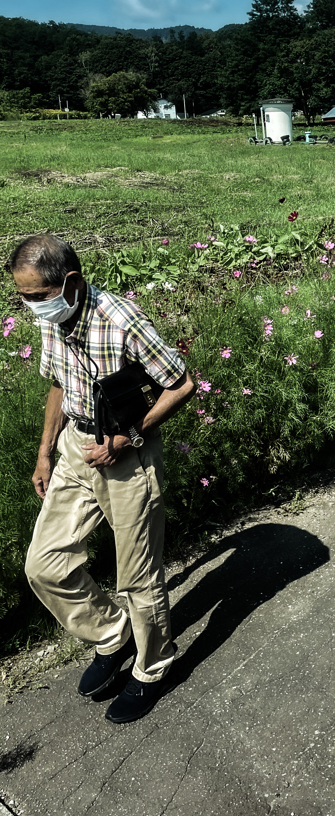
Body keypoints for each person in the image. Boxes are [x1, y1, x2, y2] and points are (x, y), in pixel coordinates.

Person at [9, 234, 195, 724]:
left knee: (137, 576)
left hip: (125, 452)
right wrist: (45, 453)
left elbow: (182, 384)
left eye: (35, 297)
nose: (30, 308)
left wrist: (128, 436)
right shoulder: (56, 318)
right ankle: (114, 636)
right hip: (75, 445)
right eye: (21, 298)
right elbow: (57, 382)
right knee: (44, 565)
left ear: (69, 283)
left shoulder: (120, 318)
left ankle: (153, 667)